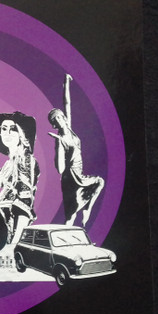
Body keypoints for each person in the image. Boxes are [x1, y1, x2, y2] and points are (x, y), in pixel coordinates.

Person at [48, 74, 105, 227]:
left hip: (79, 173)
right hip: (70, 178)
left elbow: (67, 102)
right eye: (55, 120)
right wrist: (59, 144)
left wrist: (66, 82)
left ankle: (87, 209)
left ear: (64, 118)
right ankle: (68, 236)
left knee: (99, 182)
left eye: (60, 117)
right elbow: (60, 169)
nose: (59, 120)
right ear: (54, 125)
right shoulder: (61, 139)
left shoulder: (69, 128)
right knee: (71, 216)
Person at [0, 111, 40, 243]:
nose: (7, 133)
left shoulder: (25, 160)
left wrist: (15, 242)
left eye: (13, 129)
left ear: (22, 134)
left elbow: (25, 203)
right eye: (3, 129)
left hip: (11, 229)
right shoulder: (7, 164)